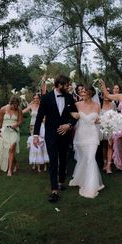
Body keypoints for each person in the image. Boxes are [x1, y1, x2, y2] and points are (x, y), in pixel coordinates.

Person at [33, 75, 77, 203]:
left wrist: (69, 125)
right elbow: (39, 117)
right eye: (66, 85)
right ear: (59, 85)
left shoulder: (69, 97)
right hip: (51, 135)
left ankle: (61, 182)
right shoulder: (46, 98)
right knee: (53, 161)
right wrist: (35, 135)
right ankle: (54, 190)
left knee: (63, 159)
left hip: (65, 134)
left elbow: (75, 116)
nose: (68, 87)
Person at [69, 85, 104, 198]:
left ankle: (91, 186)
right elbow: (70, 113)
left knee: (90, 158)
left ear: (90, 93)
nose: (81, 93)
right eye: (81, 92)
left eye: (84, 91)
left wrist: (107, 122)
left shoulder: (97, 106)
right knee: (84, 158)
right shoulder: (77, 104)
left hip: (92, 135)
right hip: (81, 135)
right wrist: (73, 114)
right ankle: (81, 178)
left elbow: (98, 121)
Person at [0, 96, 23, 176]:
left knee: (12, 148)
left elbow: (20, 121)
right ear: (10, 103)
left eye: (16, 106)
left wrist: (16, 125)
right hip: (4, 131)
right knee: (7, 149)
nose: (15, 107)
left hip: (14, 131)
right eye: (13, 106)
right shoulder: (3, 109)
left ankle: (9, 170)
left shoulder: (19, 110)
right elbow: (0, 121)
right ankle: (15, 163)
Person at [100, 91, 117, 174]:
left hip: (111, 128)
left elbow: (116, 116)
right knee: (104, 145)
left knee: (110, 145)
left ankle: (109, 166)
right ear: (102, 96)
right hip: (102, 128)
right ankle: (105, 162)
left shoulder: (113, 105)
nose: (106, 96)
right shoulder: (99, 105)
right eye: (104, 95)